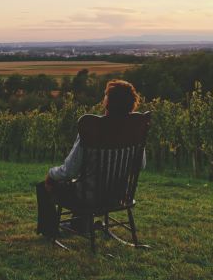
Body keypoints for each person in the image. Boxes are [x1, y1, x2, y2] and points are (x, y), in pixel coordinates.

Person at [35, 79, 146, 238]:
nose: (104, 99)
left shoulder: (92, 129)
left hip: (90, 197)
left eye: (106, 96)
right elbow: (140, 165)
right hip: (119, 195)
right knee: (84, 185)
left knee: (45, 186)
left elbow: (70, 171)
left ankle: (51, 231)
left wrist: (51, 174)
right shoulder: (135, 130)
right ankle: (80, 225)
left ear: (107, 103)